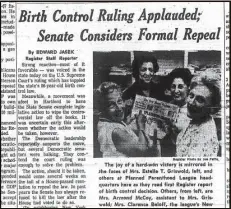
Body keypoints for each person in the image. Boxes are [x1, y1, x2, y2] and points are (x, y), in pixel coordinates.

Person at [94, 82, 160, 158]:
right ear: (102, 109)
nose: (119, 108)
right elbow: (141, 151)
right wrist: (141, 125)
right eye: (111, 105)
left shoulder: (105, 122)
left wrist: (127, 123)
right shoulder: (116, 131)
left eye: (119, 101)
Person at [176, 72, 220, 157]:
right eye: (191, 95)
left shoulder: (205, 137)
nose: (191, 102)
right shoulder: (197, 119)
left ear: (212, 108)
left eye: (200, 100)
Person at [161, 68, 193, 157]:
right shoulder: (169, 105)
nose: (176, 91)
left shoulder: (193, 109)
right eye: (173, 86)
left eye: (180, 86)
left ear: (188, 88)